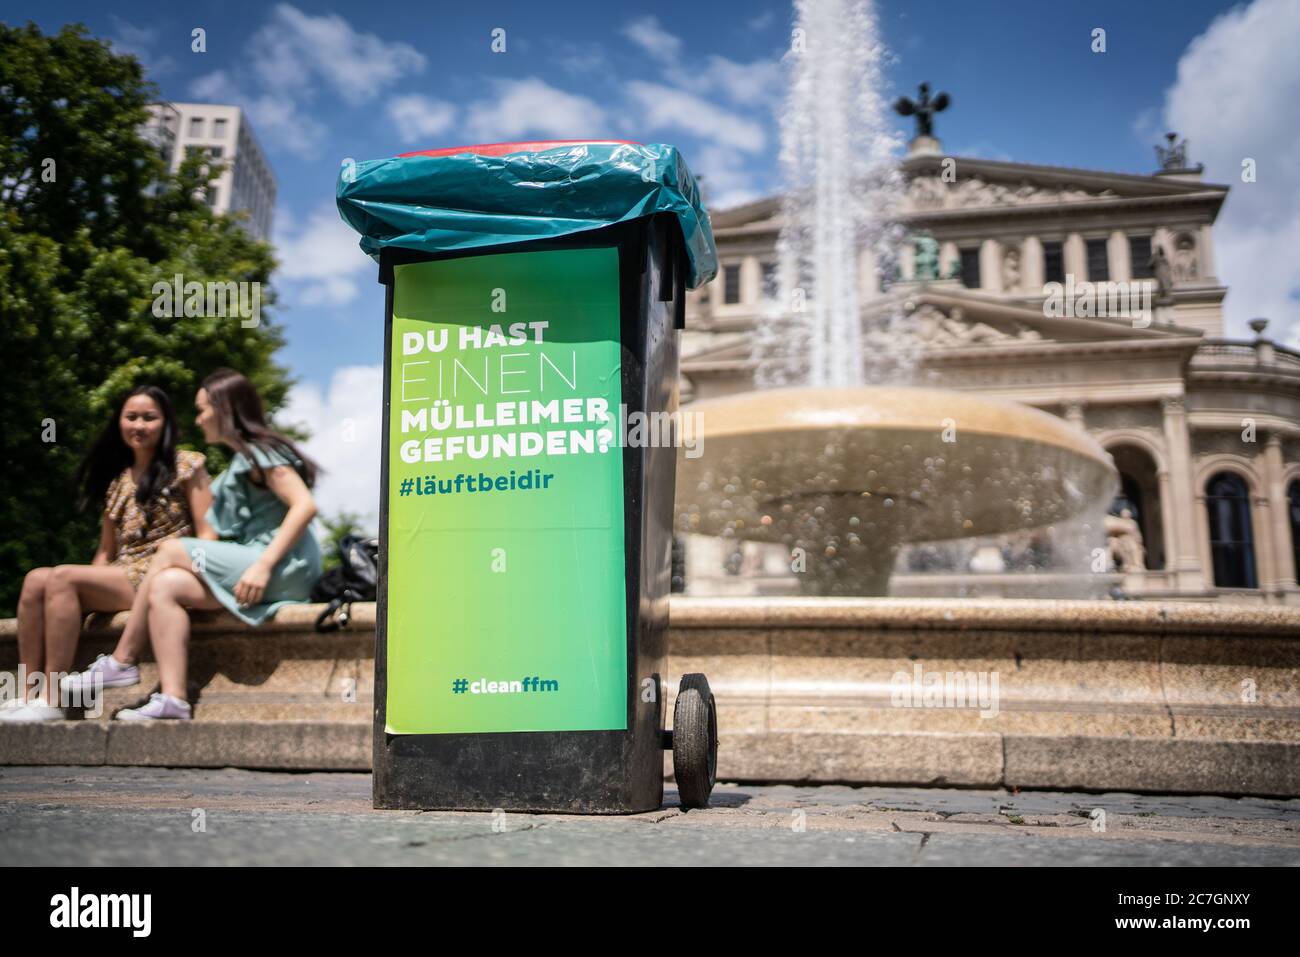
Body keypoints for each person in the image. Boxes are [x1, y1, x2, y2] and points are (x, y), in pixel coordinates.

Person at [111, 368, 323, 721]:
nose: (198, 419)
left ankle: (122, 660)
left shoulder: (260, 451)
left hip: (282, 565)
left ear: (225, 409)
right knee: (166, 586)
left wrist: (262, 565)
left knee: (171, 551)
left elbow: (304, 506)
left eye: (203, 409)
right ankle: (174, 700)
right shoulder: (239, 463)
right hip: (261, 563)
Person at [3, 386, 210, 722]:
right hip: (123, 571)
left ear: (166, 422)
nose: (139, 425)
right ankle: (29, 693)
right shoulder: (118, 482)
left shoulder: (186, 464)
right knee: (36, 580)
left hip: (160, 569)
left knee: (61, 577)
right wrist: (76, 592)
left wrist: (201, 574)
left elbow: (207, 532)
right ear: (119, 422)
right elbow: (105, 552)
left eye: (149, 417)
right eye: (131, 417)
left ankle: (53, 699)